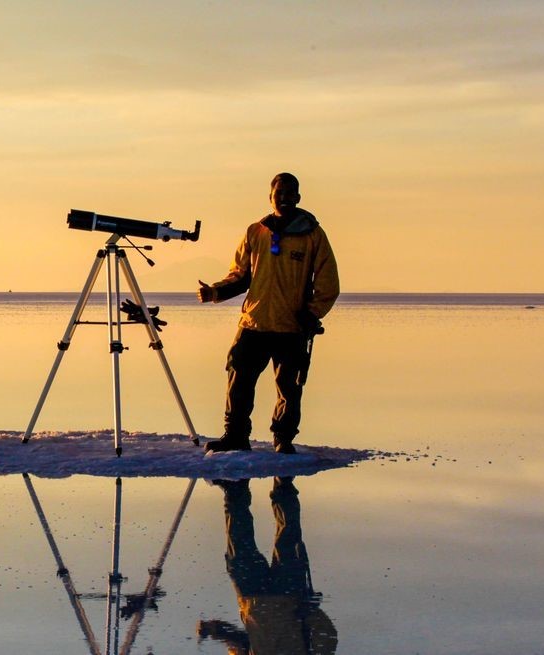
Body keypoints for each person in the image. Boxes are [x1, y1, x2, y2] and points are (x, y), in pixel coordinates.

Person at [198, 173, 339, 454]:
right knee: (238, 378)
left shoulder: (313, 235)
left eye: (290, 194)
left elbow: (328, 282)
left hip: (292, 326)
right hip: (254, 323)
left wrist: (312, 314)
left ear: (298, 198)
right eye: (280, 193)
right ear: (270, 196)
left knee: (289, 387)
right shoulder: (256, 231)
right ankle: (236, 435)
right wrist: (215, 292)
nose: (285, 198)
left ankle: (283, 439)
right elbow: (240, 276)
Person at [196, 477, 338, 654]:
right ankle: (283, 482)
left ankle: (235, 489)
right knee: (287, 535)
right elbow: (327, 638)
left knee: (239, 547)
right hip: (289, 597)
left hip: (254, 600)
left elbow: (243, 645)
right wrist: (310, 612)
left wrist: (216, 630)